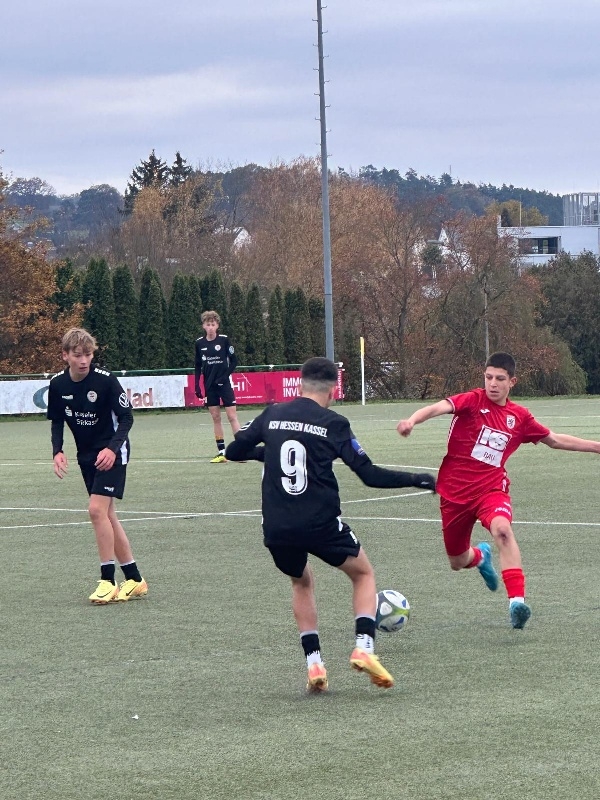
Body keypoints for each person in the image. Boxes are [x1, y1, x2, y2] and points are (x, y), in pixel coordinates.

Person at [226, 357, 436, 692]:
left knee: (301, 582)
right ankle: (364, 647)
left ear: (300, 383)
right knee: (363, 574)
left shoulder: (272, 413)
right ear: (334, 390)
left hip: (277, 526)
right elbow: (370, 475)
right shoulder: (334, 423)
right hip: (320, 523)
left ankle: (314, 666)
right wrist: (418, 479)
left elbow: (235, 451)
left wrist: (268, 451)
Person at [397, 351, 600, 630]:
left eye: (500, 379)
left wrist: (596, 446)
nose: (493, 383)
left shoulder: (519, 417)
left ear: (512, 382)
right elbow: (437, 408)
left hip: (491, 489)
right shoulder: (472, 400)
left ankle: (517, 603)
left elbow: (553, 440)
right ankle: (480, 557)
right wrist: (412, 420)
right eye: (489, 377)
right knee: (457, 560)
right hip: (454, 494)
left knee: (503, 530)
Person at [47, 328, 148, 604]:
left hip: (112, 452)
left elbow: (127, 418)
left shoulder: (105, 381)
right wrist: (58, 451)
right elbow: (57, 421)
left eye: (88, 354)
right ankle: (135, 579)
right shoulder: (58, 385)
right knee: (107, 515)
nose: (84, 360)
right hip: (86, 455)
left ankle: (107, 580)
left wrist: (112, 449)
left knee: (95, 510)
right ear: (65, 355)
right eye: (78, 355)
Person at [194, 310, 241, 463]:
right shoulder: (199, 343)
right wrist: (197, 385)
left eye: (213, 324)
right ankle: (221, 452)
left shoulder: (224, 340)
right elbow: (197, 365)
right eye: (208, 324)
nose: (210, 327)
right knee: (216, 417)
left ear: (217, 326)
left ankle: (241, 450)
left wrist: (224, 377)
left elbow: (234, 361)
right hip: (210, 386)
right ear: (203, 326)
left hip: (225, 384)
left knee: (232, 416)